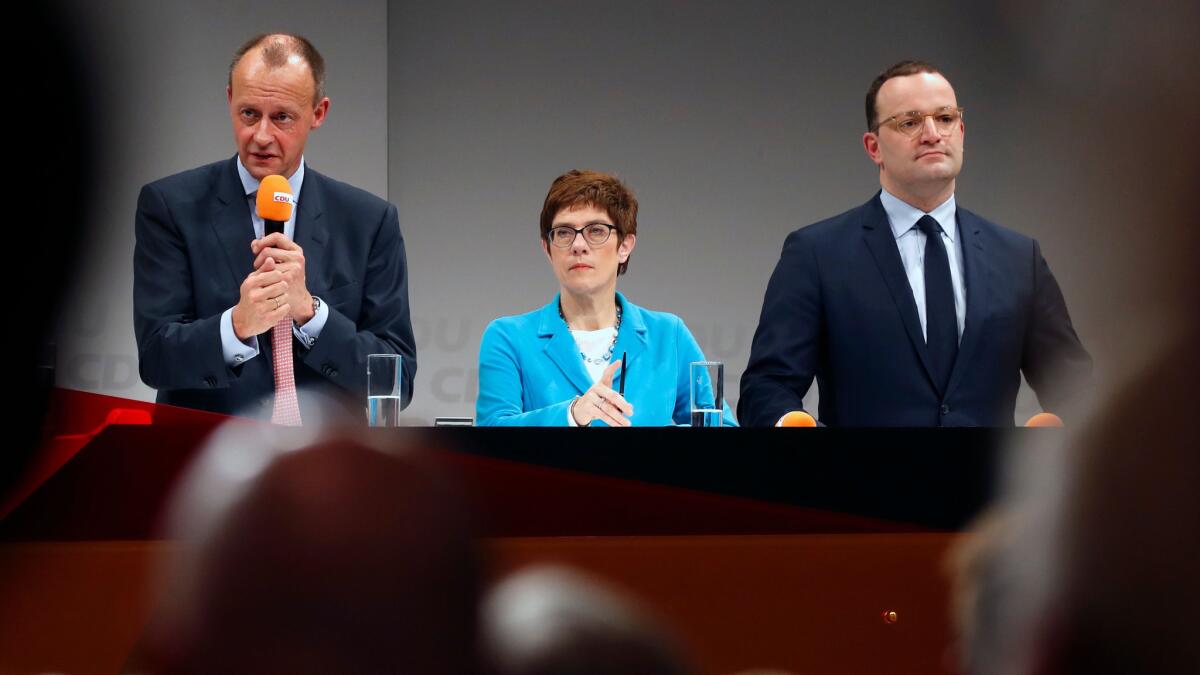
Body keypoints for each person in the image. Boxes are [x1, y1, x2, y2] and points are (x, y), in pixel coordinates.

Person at [739, 60, 1091, 427]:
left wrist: (1060, 437)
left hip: (989, 484)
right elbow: (767, 387)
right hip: (859, 483)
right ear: (873, 147)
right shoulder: (817, 254)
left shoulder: (1018, 258)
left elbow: (1075, 387)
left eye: (945, 118)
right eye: (909, 122)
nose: (932, 134)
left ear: (962, 131)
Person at [133, 33, 415, 423]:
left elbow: (397, 380)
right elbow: (156, 358)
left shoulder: (368, 221)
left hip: (328, 469)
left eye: (281, 117)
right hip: (208, 463)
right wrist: (237, 325)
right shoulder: (170, 206)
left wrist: (311, 313)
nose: (261, 136)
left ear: (318, 113)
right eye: (249, 113)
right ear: (229, 99)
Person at [476, 170, 735, 427]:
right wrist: (573, 414)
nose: (578, 245)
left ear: (625, 246)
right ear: (547, 248)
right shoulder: (508, 337)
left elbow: (722, 429)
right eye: (564, 232)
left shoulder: (669, 335)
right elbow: (490, 433)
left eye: (596, 231)